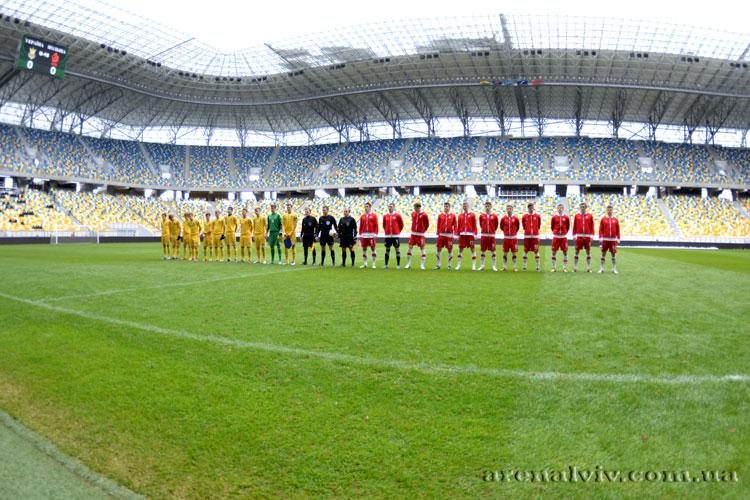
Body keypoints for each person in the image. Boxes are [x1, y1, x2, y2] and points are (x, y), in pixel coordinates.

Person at [405, 201, 429, 270]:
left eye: (416, 208)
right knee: (410, 247)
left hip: (420, 235)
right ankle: (408, 264)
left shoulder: (424, 215)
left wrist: (423, 230)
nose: (415, 209)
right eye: (414, 208)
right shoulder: (413, 214)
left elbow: (427, 224)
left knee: (422, 248)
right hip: (413, 234)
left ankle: (422, 265)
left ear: (419, 208)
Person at [572, 202, 595, 272]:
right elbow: (574, 226)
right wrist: (574, 235)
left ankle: (588, 268)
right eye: (581, 207)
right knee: (576, 251)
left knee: (588, 251)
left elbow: (592, 226)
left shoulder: (590, 216)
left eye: (584, 207)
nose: (583, 208)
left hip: (587, 236)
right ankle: (575, 267)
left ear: (586, 207)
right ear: (580, 207)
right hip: (579, 236)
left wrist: (592, 235)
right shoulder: (577, 216)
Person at [455, 201, 477, 271]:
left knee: (472, 249)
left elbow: (474, 225)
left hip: (470, 234)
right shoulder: (460, 215)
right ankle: (458, 265)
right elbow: (458, 226)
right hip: (462, 235)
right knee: (460, 249)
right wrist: (457, 234)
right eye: (463, 206)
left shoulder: (472, 215)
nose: (465, 207)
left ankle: (473, 265)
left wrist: (475, 233)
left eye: (466, 206)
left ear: (468, 206)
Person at [599, 204, 620, 274]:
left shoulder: (615, 220)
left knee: (613, 254)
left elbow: (618, 230)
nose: (609, 211)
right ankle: (601, 268)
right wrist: (600, 237)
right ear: (606, 211)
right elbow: (601, 229)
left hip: (613, 240)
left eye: (610, 210)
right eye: (608, 210)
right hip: (605, 239)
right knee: (603, 254)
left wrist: (618, 238)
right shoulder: (603, 219)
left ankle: (614, 269)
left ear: (612, 210)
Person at [435, 202, 457, 270]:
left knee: (450, 250)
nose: (446, 207)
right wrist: (438, 232)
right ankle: (438, 265)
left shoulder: (453, 215)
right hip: (441, 235)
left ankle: (449, 265)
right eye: (445, 206)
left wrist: (455, 233)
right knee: (438, 249)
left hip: (449, 235)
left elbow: (455, 225)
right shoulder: (440, 215)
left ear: (449, 207)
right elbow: (438, 225)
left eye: (447, 206)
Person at [478, 201, 499, 272]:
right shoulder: (481, 216)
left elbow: (496, 225)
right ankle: (482, 266)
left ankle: (494, 266)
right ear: (484, 207)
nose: (487, 208)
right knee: (483, 251)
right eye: (486, 206)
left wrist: (492, 230)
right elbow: (481, 224)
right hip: (484, 235)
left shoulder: (495, 216)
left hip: (491, 236)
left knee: (493, 251)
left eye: (488, 206)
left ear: (491, 207)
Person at [382, 202, 404, 269]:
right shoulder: (385, 216)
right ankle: (386, 264)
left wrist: (397, 231)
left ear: (394, 207)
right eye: (389, 206)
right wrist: (387, 231)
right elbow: (384, 225)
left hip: (395, 236)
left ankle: (398, 264)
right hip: (388, 236)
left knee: (397, 249)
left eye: (391, 206)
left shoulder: (397, 215)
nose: (390, 208)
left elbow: (401, 225)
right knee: (387, 249)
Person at [522, 202, 542, 272]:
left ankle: (537, 267)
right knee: (525, 251)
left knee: (536, 251)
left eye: (532, 208)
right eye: (529, 208)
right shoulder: (524, 216)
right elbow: (523, 226)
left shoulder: (537, 216)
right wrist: (527, 231)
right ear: (528, 208)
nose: (531, 209)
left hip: (535, 236)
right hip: (527, 236)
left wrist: (535, 231)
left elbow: (539, 225)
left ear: (533, 208)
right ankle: (524, 266)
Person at [499, 204, 520, 272]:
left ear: (512, 210)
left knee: (514, 253)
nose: (509, 209)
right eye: (508, 208)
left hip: (513, 238)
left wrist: (513, 232)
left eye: (510, 208)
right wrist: (506, 232)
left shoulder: (516, 218)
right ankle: (504, 267)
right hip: (506, 238)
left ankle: (515, 267)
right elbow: (501, 227)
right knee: (505, 253)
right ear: (506, 209)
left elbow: (517, 227)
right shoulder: (503, 218)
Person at [550, 203, 570, 272]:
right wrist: (556, 232)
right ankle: (553, 267)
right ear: (557, 209)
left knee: (565, 252)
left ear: (563, 208)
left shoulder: (566, 217)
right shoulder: (554, 217)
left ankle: (564, 268)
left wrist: (564, 232)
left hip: (563, 237)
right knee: (553, 252)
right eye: (558, 208)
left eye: (561, 208)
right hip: (556, 237)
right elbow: (552, 227)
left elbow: (568, 227)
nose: (560, 209)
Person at [358, 202, 378, 269]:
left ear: (370, 207)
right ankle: (365, 264)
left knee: (373, 248)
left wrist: (375, 234)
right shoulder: (362, 216)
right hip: (364, 235)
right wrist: (360, 234)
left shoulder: (374, 215)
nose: (366, 208)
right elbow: (360, 226)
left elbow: (376, 225)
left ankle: (374, 264)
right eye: (365, 206)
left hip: (371, 235)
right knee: (364, 249)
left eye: (367, 206)